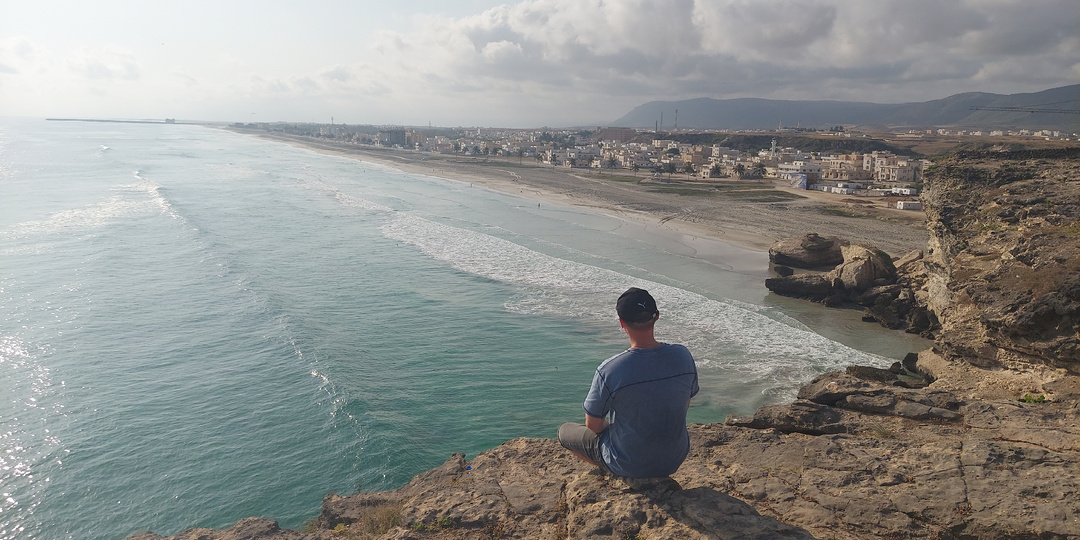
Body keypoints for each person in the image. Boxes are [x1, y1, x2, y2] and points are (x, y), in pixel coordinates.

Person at [558, 287, 699, 478]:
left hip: (630, 464)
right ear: (656, 316)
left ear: (622, 322)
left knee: (565, 432)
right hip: (674, 458)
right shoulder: (683, 356)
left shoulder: (610, 370)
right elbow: (685, 403)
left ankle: (615, 470)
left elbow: (593, 425)